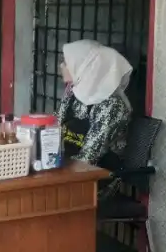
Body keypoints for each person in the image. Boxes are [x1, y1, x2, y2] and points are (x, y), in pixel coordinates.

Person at [57, 39, 133, 168]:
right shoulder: (75, 92)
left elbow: (88, 157)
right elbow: (55, 126)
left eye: (66, 62)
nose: (61, 65)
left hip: (95, 175)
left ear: (87, 68)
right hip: (67, 164)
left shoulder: (112, 106)